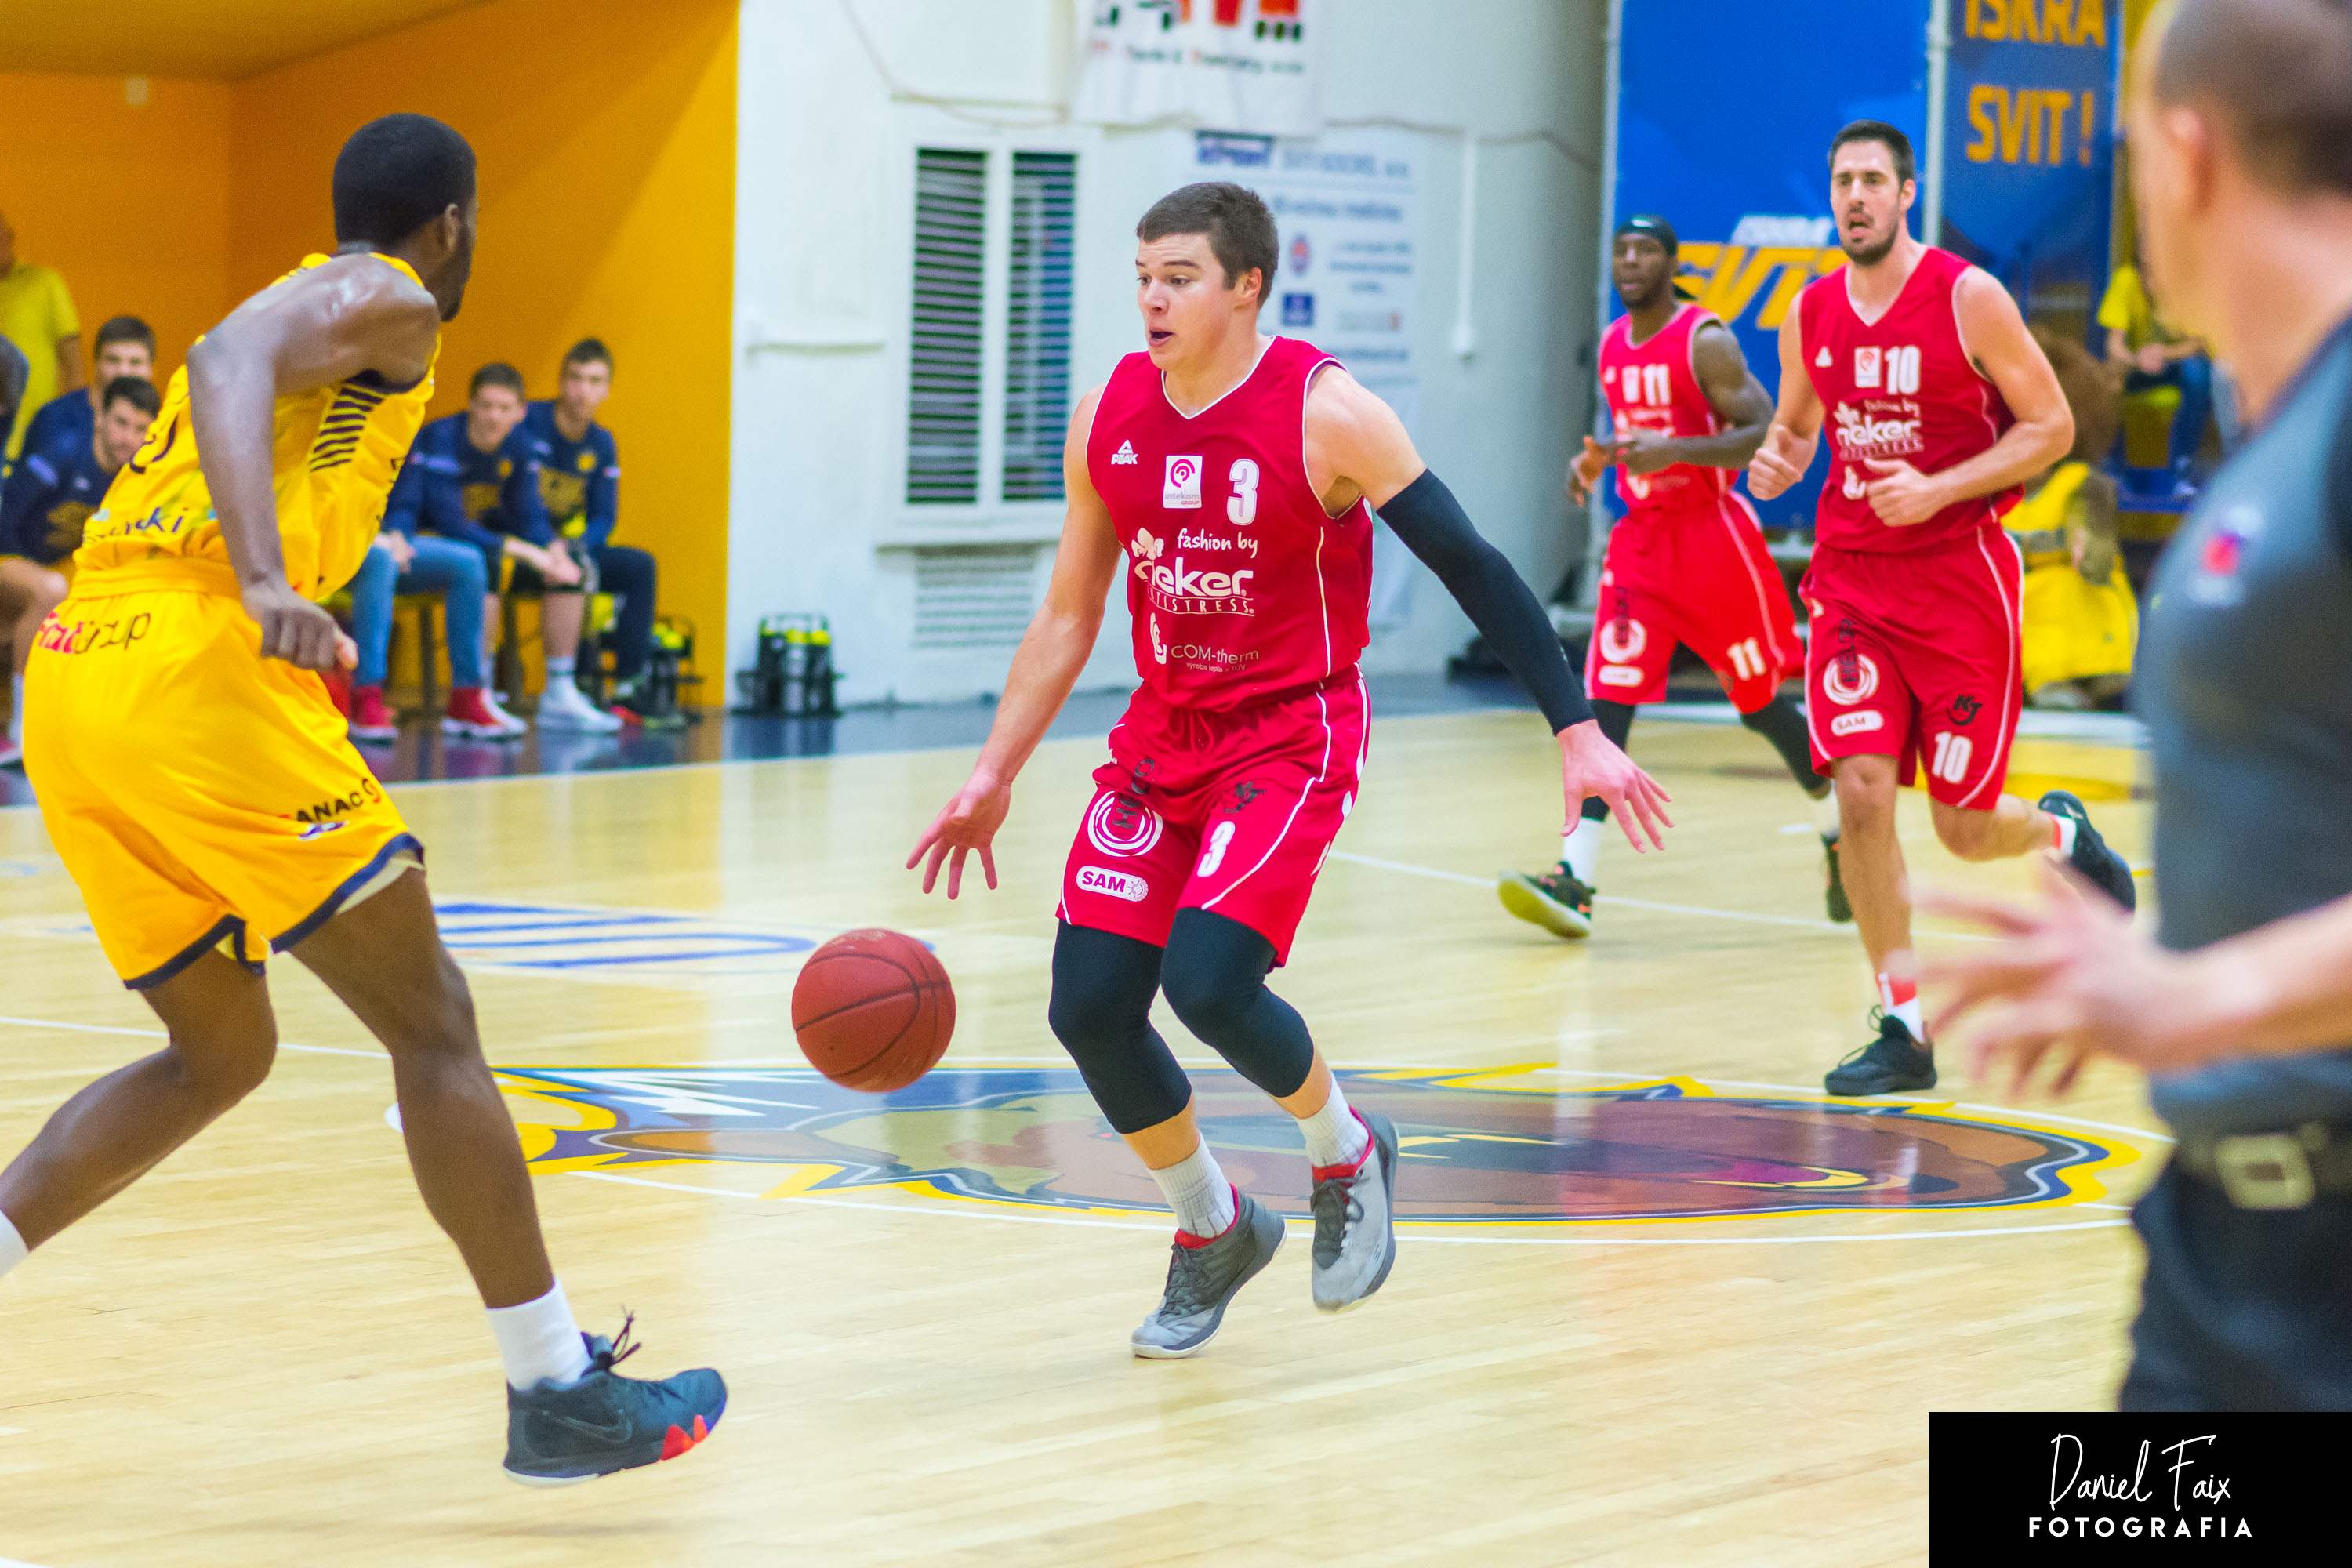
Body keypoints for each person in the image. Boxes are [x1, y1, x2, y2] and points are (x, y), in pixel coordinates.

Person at [0, 114, 723, 1482]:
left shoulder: (319, 303)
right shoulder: (388, 293)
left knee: (219, 1055)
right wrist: (265, 580)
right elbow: (222, 361)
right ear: (450, 223)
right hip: (194, 663)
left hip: (81, 668)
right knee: (433, 1022)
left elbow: (239, 368)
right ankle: (554, 1387)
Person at [909, 181, 1669, 1358]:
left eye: (1180, 278)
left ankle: (1346, 1150)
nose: (1154, 299)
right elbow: (1069, 613)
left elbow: (1472, 563)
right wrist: (992, 771)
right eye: (1144, 277)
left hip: (1291, 733)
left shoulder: (1329, 412)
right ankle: (1212, 1224)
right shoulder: (1109, 413)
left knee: (1210, 983)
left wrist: (1575, 725)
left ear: (1247, 285)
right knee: (1089, 1007)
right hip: (1165, 737)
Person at [1929, 0, 2352, 1411]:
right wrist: (2163, 957)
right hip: (2221, 1242)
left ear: (2187, 155)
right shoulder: (2279, 420)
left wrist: (2196, 994)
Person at [1747, 120, 2136, 1097]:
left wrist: (1941, 487)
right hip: (1852, 583)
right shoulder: (1810, 312)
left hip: (1960, 583)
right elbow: (1798, 426)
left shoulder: (1969, 297)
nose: (1856, 197)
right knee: (1862, 792)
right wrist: (1778, 460)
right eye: (1843, 181)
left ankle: (2063, 834)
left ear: (1906, 193)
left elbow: (2053, 425)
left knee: (1963, 826)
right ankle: (1904, 1024)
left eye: (1873, 180)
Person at [1498, 214, 1839, 939]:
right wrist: (1599, 459)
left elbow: (1764, 430)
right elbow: (1638, 436)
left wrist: (1677, 451)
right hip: (1643, 547)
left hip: (1713, 544)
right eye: (1621, 249)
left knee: (1760, 706)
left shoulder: (1705, 340)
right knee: (1607, 703)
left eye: (1645, 250)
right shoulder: (1614, 343)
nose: (1630, 260)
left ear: (1671, 263)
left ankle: (1841, 831)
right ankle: (1575, 880)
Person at [405, 361, 615, 731]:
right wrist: (524, 551)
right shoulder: (441, 437)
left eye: (504, 408)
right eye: (486, 406)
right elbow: (450, 523)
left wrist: (553, 549)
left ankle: (560, 689)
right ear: (471, 405)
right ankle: (476, 688)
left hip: (490, 544)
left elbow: (529, 514)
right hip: (422, 542)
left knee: (569, 566)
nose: (493, 416)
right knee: (481, 560)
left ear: (520, 413)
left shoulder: (520, 446)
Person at [0, 375, 158, 767]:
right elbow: (5, 515)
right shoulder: (63, 454)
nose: (128, 438)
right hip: (11, 554)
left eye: (141, 429)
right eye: (121, 423)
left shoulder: (135, 480)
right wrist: (30, 582)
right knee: (52, 591)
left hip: (49, 569)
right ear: (99, 418)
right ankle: (22, 727)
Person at [341, 458, 529, 743]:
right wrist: (367, 538)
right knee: (381, 560)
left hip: (387, 540)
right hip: (334, 541)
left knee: (467, 561)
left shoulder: (405, 435)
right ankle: (366, 694)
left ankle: (466, 696)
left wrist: (397, 535)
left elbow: (405, 502)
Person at [523, 339, 659, 712]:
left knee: (638, 567)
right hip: (524, 546)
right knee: (576, 570)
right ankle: (574, 679)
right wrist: (548, 545)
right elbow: (518, 502)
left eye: (594, 381)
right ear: (561, 382)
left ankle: (629, 686)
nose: (583, 391)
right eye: (576, 378)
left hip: (566, 551)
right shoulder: (528, 423)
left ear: (607, 390)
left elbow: (604, 516)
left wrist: (578, 546)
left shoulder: (601, 443)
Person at [2007, 327, 2136, 711]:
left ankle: (2106, 678)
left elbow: (2096, 546)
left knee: (2079, 601)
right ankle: (2049, 681)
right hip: (2031, 610)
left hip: (2084, 596)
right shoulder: (1988, 494)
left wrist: (2090, 543)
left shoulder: (2076, 482)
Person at [2100, 253, 2215, 483]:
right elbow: (2114, 346)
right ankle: (2114, 466)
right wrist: (2137, 360)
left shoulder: (2186, 283)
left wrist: (2164, 353)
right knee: (2110, 378)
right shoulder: (2126, 280)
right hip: (2137, 365)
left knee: (2198, 374)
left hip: (2175, 364)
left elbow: (2200, 343)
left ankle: (2182, 464)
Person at [0, 209, 82, 463]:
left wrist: (76, 419)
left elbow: (72, 357)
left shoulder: (45, 282)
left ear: (10, 238)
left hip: (37, 435)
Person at [17, 315, 155, 462]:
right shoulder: (55, 418)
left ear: (152, 368)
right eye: (113, 360)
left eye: (135, 362)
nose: (123, 372)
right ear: (96, 363)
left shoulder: (164, 425)